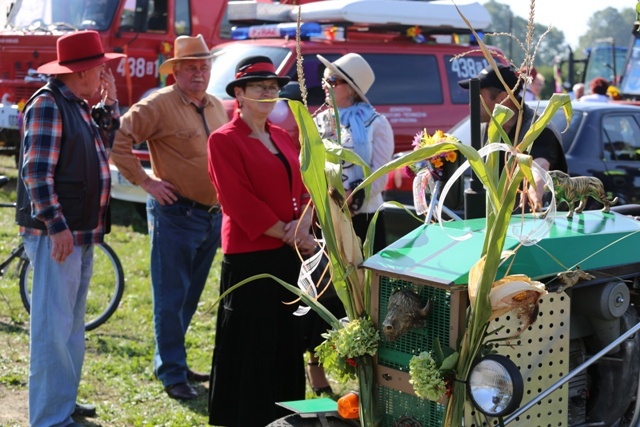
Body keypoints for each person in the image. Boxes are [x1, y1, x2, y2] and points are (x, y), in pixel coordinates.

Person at [110, 34, 228, 401]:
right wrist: (146, 181)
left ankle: (173, 360)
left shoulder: (215, 105)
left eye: (204, 66)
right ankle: (172, 372)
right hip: (176, 212)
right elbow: (117, 138)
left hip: (210, 216)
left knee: (189, 295)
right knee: (171, 295)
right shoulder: (158, 105)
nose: (199, 73)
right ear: (175, 71)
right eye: (191, 67)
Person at [16, 30, 123, 427]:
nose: (104, 74)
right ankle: (49, 417)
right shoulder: (48, 104)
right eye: (100, 69)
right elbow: (36, 173)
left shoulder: (74, 103)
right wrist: (57, 226)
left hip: (77, 232)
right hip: (59, 234)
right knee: (52, 330)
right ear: (81, 72)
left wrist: (109, 103)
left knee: (70, 326)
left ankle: (62, 404)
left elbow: (101, 146)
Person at [207, 55, 315, 426]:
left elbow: (305, 188)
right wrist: (286, 230)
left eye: (273, 88)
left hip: (288, 255)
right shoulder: (223, 140)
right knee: (251, 345)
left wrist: (302, 226)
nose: (269, 94)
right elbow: (237, 201)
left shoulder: (282, 136)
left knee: (286, 342)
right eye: (260, 88)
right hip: (252, 258)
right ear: (239, 94)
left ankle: (284, 420)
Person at [314, 53, 395, 252]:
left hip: (365, 216)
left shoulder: (376, 123)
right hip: (329, 213)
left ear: (351, 88)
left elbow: (381, 173)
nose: (325, 85)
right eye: (324, 79)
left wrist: (352, 197)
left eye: (332, 80)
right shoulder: (319, 120)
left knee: (365, 277)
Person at [459, 64, 568, 210]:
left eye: (478, 97)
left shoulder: (539, 129)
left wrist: (534, 190)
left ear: (502, 98)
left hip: (532, 225)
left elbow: (541, 165)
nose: (471, 104)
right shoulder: (488, 127)